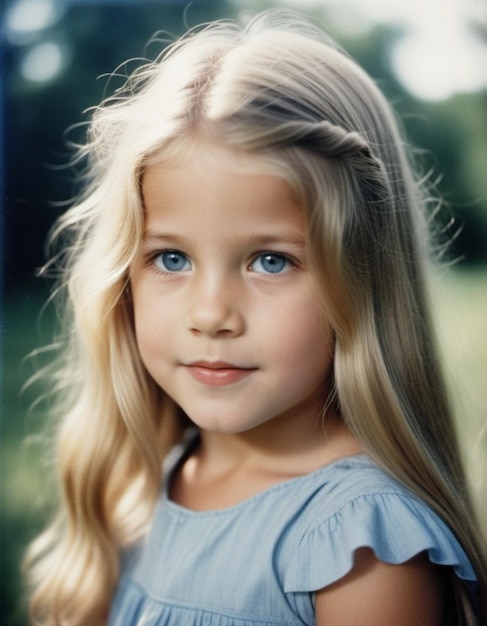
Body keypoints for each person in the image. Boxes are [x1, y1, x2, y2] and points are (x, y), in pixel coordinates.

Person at [24, 9, 487, 625]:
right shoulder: (151, 477)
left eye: (270, 261)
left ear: (365, 276)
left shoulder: (363, 545)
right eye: (170, 258)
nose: (211, 314)